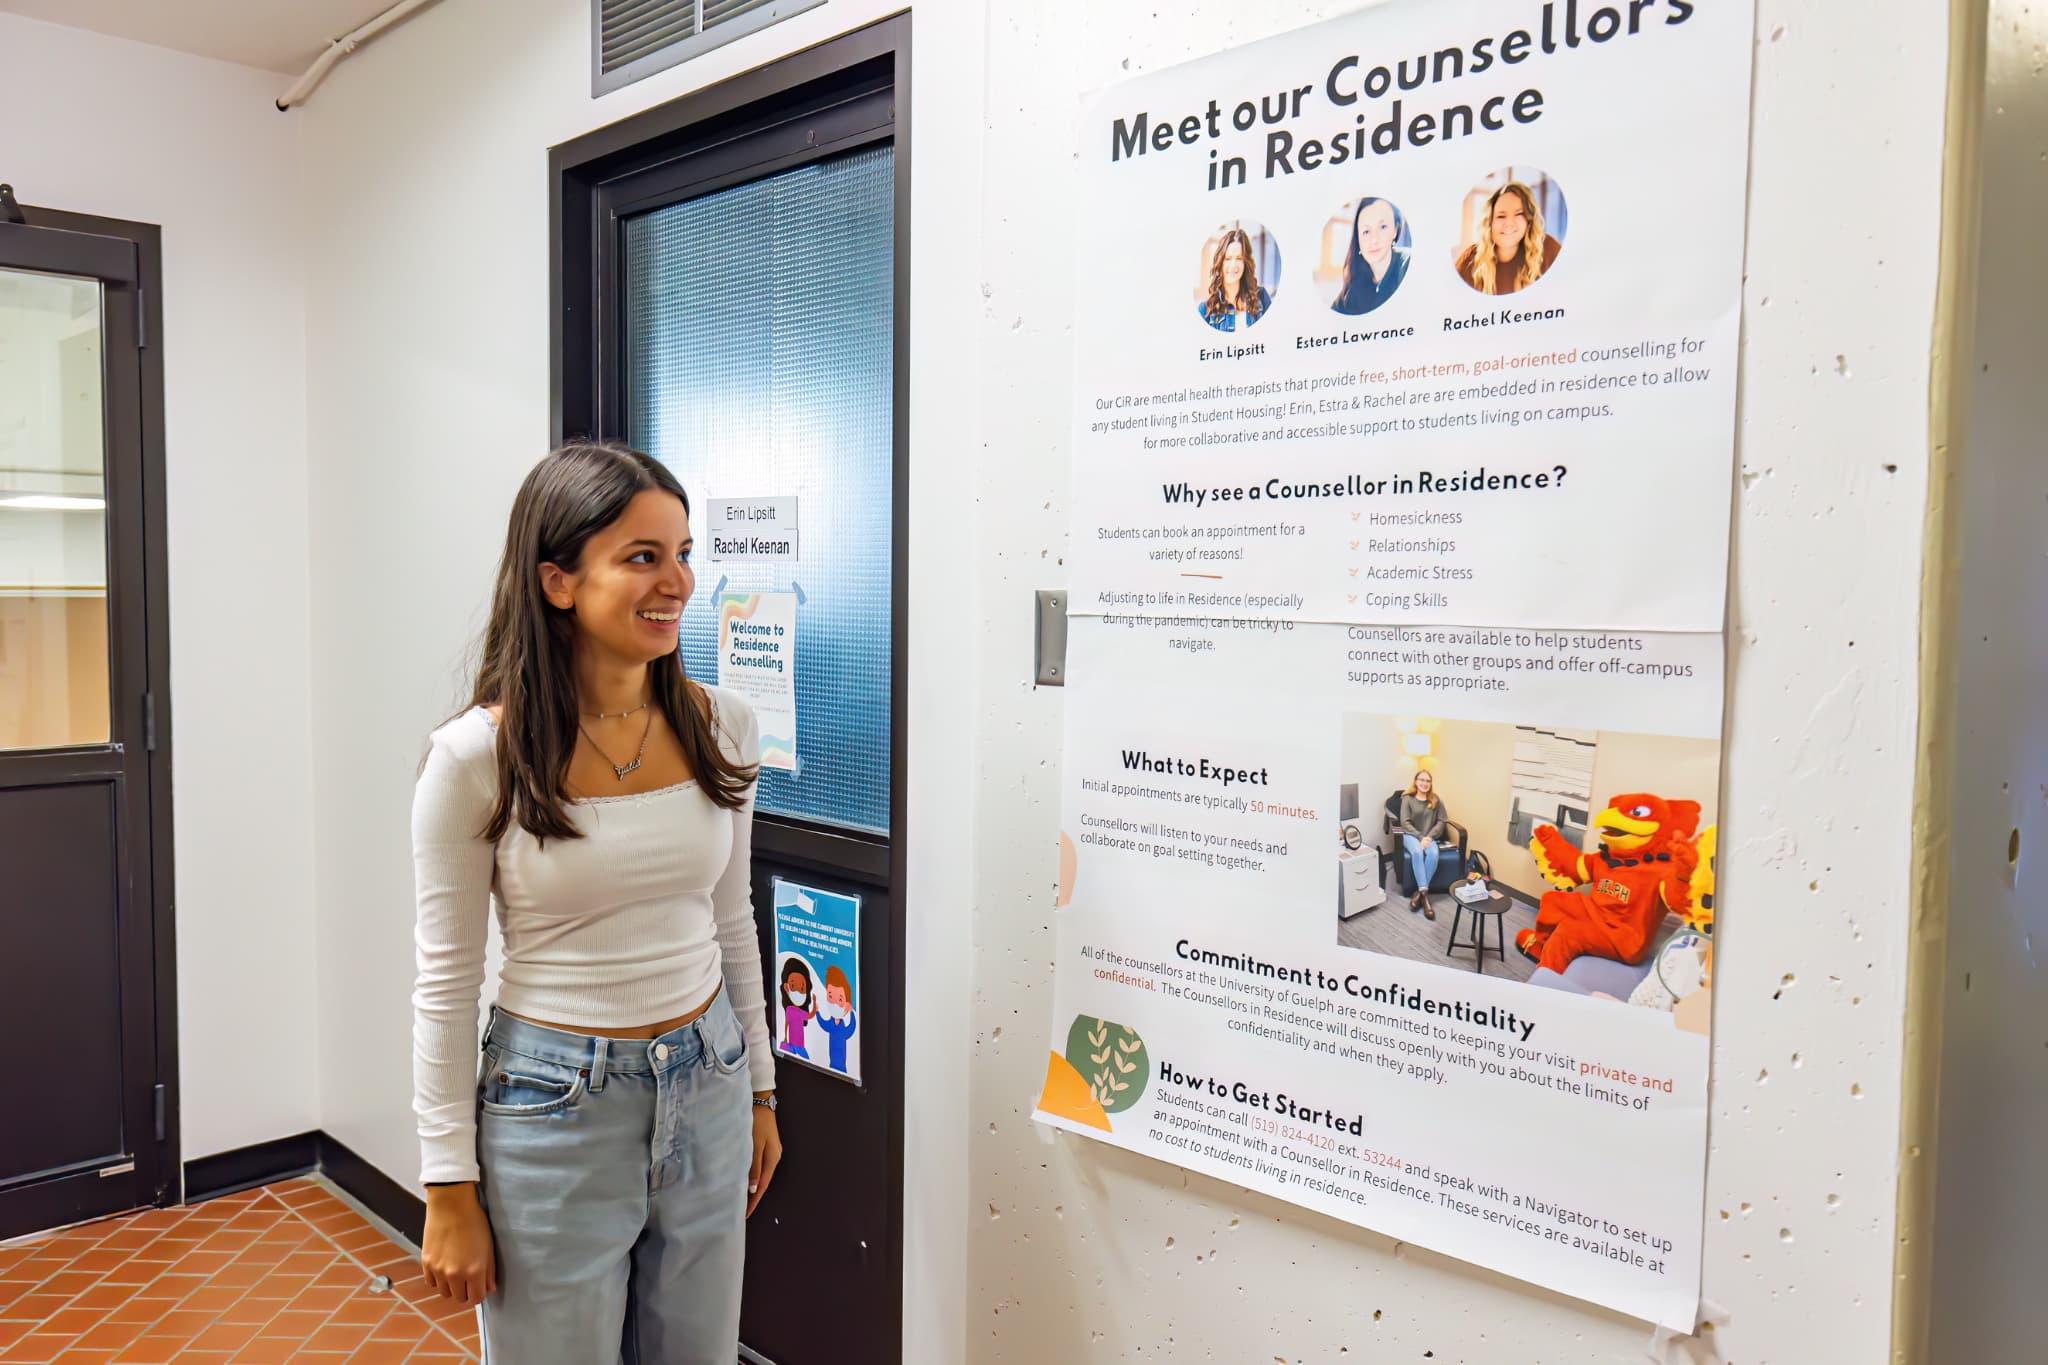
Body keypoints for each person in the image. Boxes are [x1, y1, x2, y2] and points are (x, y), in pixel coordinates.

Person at [411, 441, 781, 1363]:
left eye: (685, 552)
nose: (678, 582)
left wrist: (762, 1087)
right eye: (643, 556)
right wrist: (447, 1182)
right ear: (559, 581)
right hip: (553, 1106)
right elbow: (447, 983)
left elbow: (732, 922)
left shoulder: (722, 724)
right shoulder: (473, 759)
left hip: (710, 1079)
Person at [1455, 181, 1561, 295]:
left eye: (1519, 214)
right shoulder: (1469, 261)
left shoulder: (1548, 249)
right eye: (1501, 216)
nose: (1509, 223)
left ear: (1528, 221)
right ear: (1490, 223)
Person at [1331, 197, 1410, 315]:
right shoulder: (1353, 283)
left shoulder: (1407, 264)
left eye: (1383, 227)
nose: (1374, 240)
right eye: (1366, 232)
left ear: (1395, 230)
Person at [1398, 769, 1450, 919]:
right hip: (1411, 835)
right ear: (1416, 781)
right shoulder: (1407, 798)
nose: (1424, 783)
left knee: (1434, 853)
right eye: (1421, 780)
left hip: (1428, 837)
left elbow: (1442, 821)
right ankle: (1426, 898)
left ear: (1431, 783)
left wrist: (1429, 836)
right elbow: (1404, 823)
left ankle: (1419, 894)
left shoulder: (1435, 799)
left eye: (1428, 781)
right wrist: (1420, 837)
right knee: (1417, 853)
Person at [1197, 226, 1271, 331]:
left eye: (1239, 258)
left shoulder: (1262, 298)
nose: (1233, 265)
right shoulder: (1204, 310)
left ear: (1245, 263)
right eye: (1228, 259)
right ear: (1220, 263)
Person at [815, 964, 858, 1075]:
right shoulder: (830, 1024)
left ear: (847, 1003)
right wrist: (817, 1011)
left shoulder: (843, 1028)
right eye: (830, 995)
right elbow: (822, 1024)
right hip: (831, 1063)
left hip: (843, 1066)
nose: (834, 1002)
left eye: (839, 998)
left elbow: (851, 1028)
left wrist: (851, 1014)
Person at [779, 960, 817, 1059]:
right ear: (786, 987)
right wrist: (785, 1037)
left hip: (800, 1046)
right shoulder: (789, 1010)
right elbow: (786, 1023)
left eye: (802, 988)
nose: (798, 991)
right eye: (793, 986)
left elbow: (810, 1015)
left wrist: (814, 1004)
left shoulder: (800, 1012)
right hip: (791, 1044)